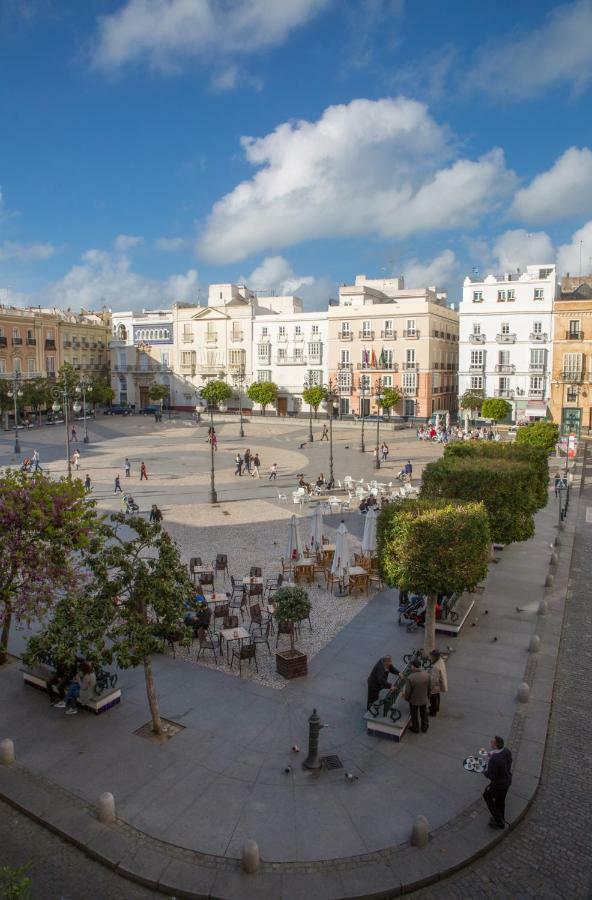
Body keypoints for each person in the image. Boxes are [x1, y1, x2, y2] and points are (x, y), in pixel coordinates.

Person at [483, 736, 513, 829]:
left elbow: (492, 776)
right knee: (500, 801)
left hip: (498, 785)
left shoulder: (495, 760)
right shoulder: (506, 751)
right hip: (507, 780)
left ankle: (498, 821)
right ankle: (501, 818)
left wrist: (483, 771)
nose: (491, 742)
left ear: (496, 746)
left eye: (493, 742)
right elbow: (509, 761)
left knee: (487, 796)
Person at [404, 660, 430, 733]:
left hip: (414, 700)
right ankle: (425, 727)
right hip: (424, 698)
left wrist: (406, 698)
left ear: (413, 666)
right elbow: (429, 687)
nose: (410, 667)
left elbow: (407, 691)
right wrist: (427, 696)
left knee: (414, 714)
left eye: (411, 666)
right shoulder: (426, 674)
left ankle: (415, 728)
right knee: (423, 713)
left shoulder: (410, 677)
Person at [428, 649, 448, 717]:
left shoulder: (435, 667)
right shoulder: (440, 660)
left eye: (431, 656)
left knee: (433, 699)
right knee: (437, 696)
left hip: (436, 686)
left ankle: (433, 712)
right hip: (440, 683)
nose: (429, 657)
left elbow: (433, 680)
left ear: (434, 657)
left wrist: (429, 688)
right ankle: (437, 708)